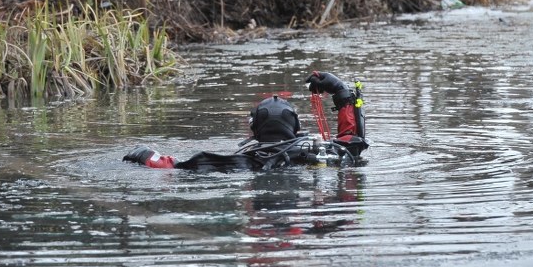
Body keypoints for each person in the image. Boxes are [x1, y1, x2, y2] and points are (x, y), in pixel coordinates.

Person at [123, 71, 368, 171]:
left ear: (254, 129)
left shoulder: (242, 160)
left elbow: (174, 167)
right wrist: (340, 90)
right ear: (296, 128)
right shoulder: (319, 154)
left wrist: (144, 153)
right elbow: (353, 143)